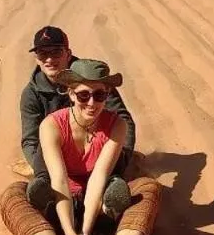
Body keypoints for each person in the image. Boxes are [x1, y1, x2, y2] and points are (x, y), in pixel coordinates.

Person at [1, 59, 162, 235]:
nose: (92, 103)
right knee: (13, 195)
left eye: (99, 95)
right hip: (60, 202)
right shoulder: (52, 125)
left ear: (107, 94)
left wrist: (84, 233)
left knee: (148, 188)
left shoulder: (116, 125)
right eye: (84, 95)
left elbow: (99, 176)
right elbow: (59, 181)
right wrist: (70, 234)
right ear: (70, 93)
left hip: (99, 203)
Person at [20, 26, 136, 220]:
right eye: (42, 53)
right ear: (36, 58)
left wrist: (121, 156)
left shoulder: (94, 79)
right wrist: (46, 169)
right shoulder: (31, 94)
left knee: (112, 173)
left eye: (56, 51)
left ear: (68, 53)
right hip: (56, 156)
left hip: (99, 152)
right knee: (43, 157)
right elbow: (29, 140)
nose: (49, 59)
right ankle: (47, 193)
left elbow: (123, 120)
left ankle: (111, 193)